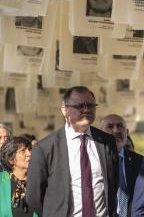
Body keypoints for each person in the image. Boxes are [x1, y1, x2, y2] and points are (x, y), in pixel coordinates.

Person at [26, 86, 118, 217]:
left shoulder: (106, 142)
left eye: (91, 105)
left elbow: (113, 184)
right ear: (64, 109)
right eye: (80, 106)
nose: (86, 110)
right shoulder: (45, 148)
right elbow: (33, 196)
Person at [100, 114, 143, 217]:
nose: (116, 131)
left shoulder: (142, 162)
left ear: (127, 132)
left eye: (120, 126)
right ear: (100, 133)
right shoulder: (92, 160)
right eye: (110, 127)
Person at [0, 136, 37, 216]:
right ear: (11, 159)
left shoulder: (40, 180)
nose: (29, 154)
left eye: (30, 149)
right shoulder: (1, 182)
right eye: (23, 151)